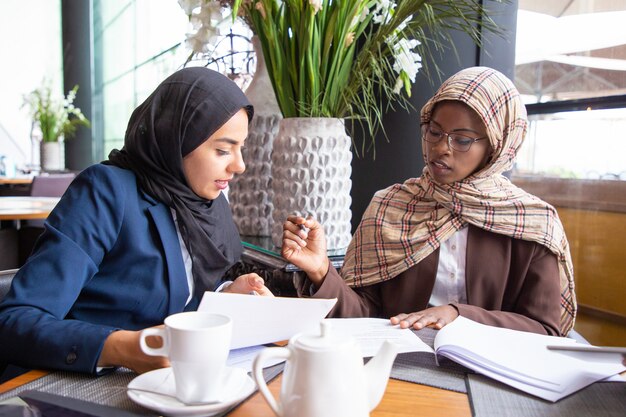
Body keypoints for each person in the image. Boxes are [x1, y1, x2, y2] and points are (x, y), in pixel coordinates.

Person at [0, 67, 272, 380]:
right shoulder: (106, 192)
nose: (239, 165)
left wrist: (225, 297)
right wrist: (123, 347)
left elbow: (178, 299)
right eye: (223, 150)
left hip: (163, 387)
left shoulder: (207, 204)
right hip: (71, 383)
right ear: (177, 138)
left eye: (241, 148)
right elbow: (15, 321)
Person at [282, 66, 576, 337]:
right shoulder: (389, 207)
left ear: (496, 146)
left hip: (492, 384)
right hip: (401, 370)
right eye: (434, 132)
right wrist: (321, 270)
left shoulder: (532, 222)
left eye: (461, 140)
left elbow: (545, 329)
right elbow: (363, 316)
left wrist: (458, 316)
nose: (439, 148)